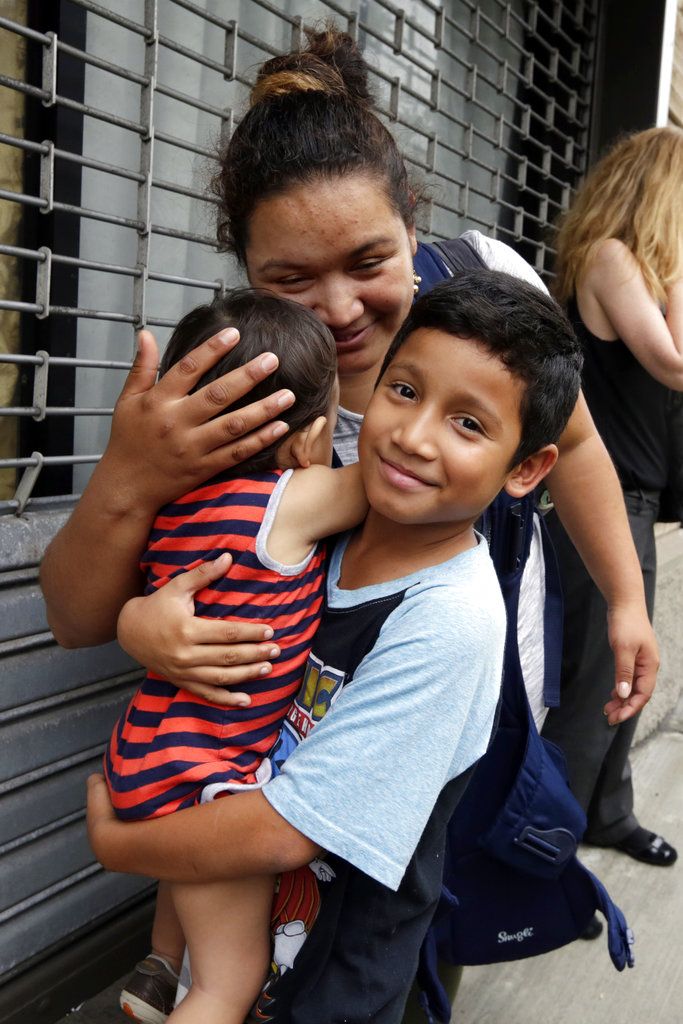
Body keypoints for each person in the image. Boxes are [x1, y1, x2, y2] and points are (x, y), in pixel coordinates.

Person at [39, 26, 659, 1023]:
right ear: (242, 266)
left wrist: (624, 597)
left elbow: (576, 444)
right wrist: (130, 497)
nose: (337, 310)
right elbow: (84, 608)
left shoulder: (484, 294)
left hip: (459, 699)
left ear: (412, 217)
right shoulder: (241, 377)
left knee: (415, 928)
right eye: (290, 278)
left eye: (369, 258)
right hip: (283, 754)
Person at [89, 268, 582, 1024]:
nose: (414, 438)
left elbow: (283, 832)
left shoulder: (451, 620)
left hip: (329, 987)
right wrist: (138, 625)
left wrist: (121, 847)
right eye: (406, 391)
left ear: (525, 469)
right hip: (237, 928)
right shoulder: (326, 521)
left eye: (469, 424)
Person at [106, 288, 370, 1024]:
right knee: (229, 982)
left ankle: (157, 973)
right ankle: (184, 993)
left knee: (181, 875)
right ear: (309, 440)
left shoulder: (169, 507)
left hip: (148, 751)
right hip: (208, 773)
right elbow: (384, 475)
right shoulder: (291, 501)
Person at [541, 126, 683, 870]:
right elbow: (676, 361)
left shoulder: (633, 267)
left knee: (625, 676)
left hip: (630, 500)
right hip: (598, 502)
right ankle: (545, 856)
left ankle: (606, 815)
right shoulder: (608, 257)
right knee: (595, 686)